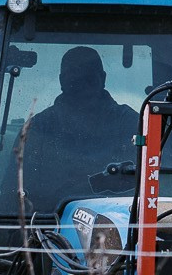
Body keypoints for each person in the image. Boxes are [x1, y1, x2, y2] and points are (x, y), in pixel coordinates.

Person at [19, 44, 142, 212]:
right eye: (75, 81)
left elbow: (157, 188)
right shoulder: (37, 130)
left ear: (103, 79)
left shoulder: (133, 125)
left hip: (126, 229)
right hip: (47, 230)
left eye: (89, 79)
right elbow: (13, 198)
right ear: (62, 81)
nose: (83, 88)